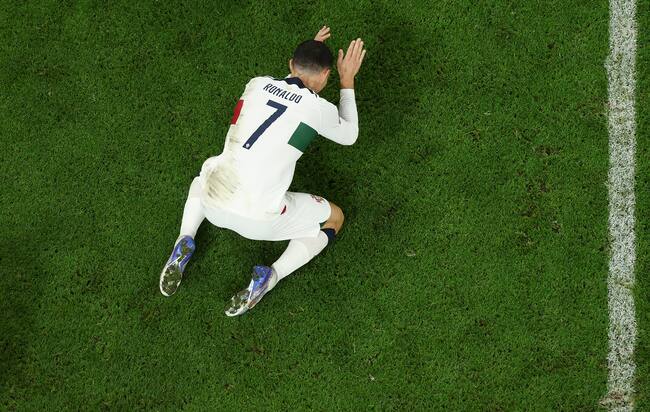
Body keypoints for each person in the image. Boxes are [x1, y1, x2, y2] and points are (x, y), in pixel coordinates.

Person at [159, 26, 366, 316]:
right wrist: (347, 80)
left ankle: (185, 237)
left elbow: (284, 92)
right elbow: (350, 134)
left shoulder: (256, 84)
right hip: (262, 221)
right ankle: (272, 276)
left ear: (291, 64)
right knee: (335, 218)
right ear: (326, 76)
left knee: (203, 177)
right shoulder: (318, 109)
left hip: (212, 203)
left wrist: (310, 50)